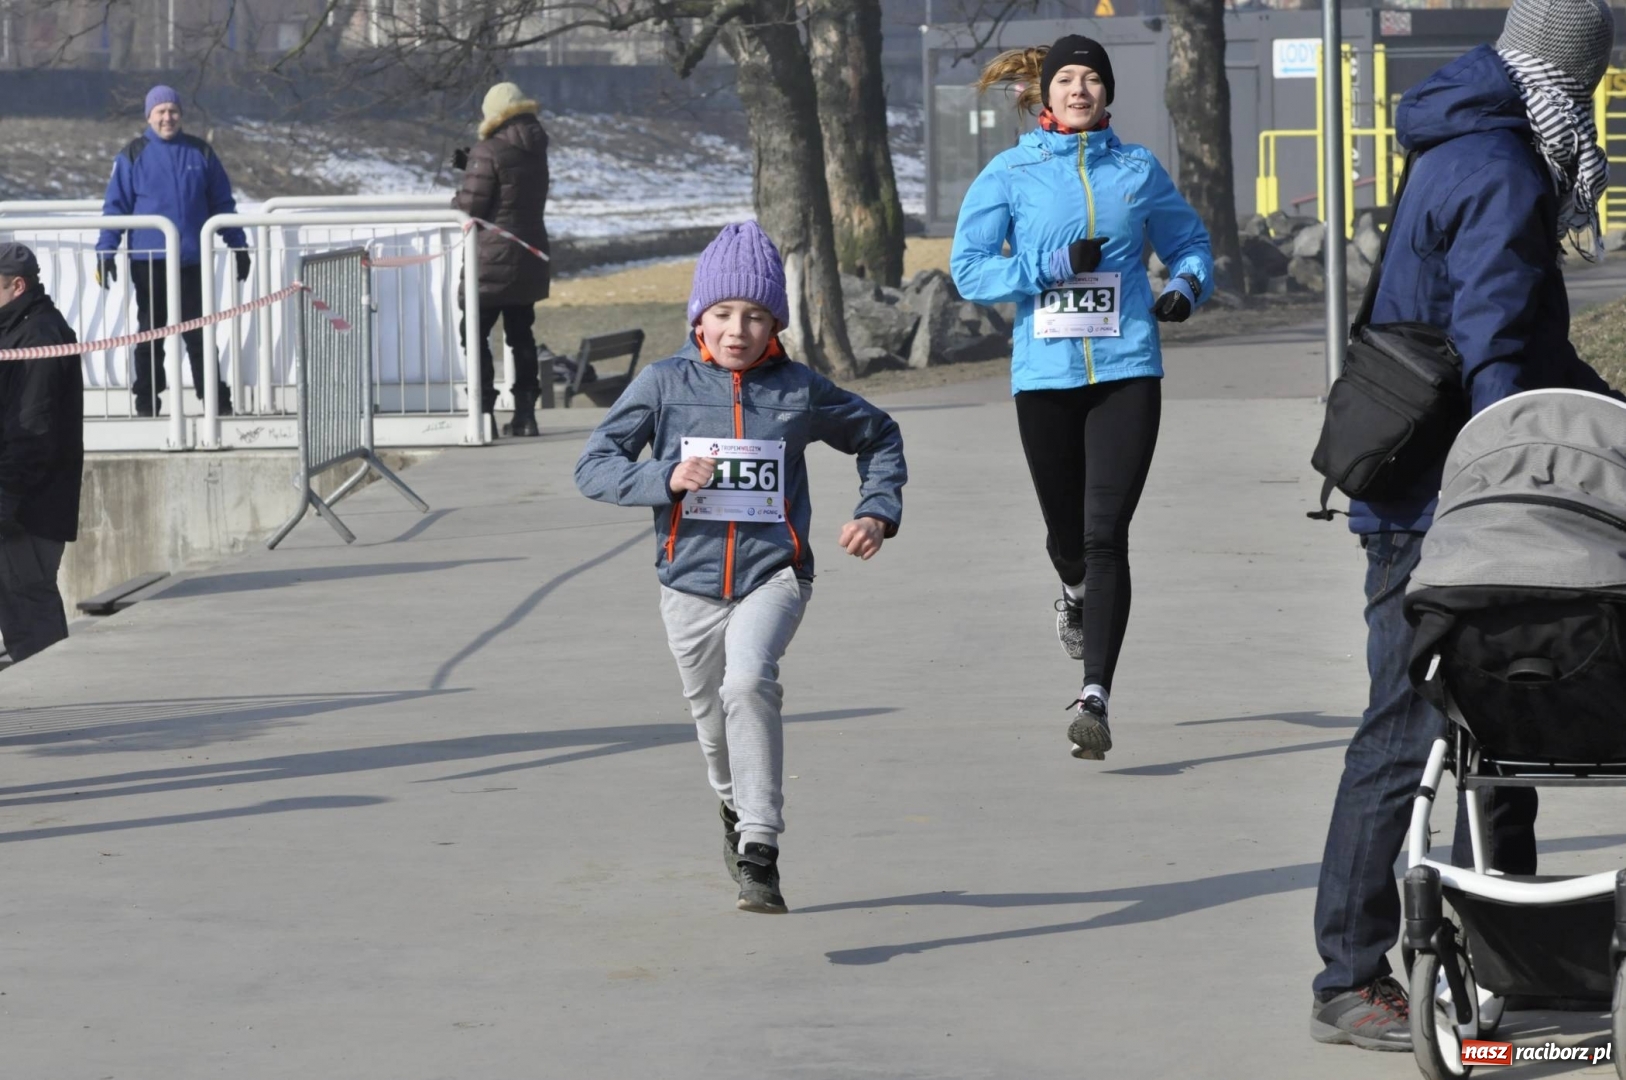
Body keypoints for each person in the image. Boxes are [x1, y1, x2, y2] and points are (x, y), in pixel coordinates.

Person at [1309, 0, 1618, 1051]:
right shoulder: (1499, 168)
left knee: (1507, 716)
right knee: (1409, 733)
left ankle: (1517, 962)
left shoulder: (1462, 139)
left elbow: (1519, 344)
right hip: (1444, 503)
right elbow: (1493, 345)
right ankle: (1349, 978)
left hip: (1428, 486)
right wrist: (1509, 481)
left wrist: (1600, 410)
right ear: (1566, 84)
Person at [575, 222, 906, 914]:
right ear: (699, 315)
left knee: (750, 680)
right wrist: (664, 478)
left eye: (756, 316)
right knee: (709, 719)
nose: (738, 330)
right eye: (724, 314)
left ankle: (761, 846)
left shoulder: (798, 390)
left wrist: (876, 511)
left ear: (774, 323)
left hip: (773, 574)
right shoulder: (663, 385)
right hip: (687, 584)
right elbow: (593, 466)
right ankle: (732, 807)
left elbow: (878, 435)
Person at [950, 35, 1213, 760]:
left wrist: (1186, 287)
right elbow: (970, 271)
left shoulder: (1137, 170)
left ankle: (1095, 695)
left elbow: (1190, 243)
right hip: (1045, 378)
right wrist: (1052, 264)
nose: (1079, 88)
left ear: (1107, 94)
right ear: (1043, 95)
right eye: (1067, 77)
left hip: (1128, 369)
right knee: (1069, 540)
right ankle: (1070, 591)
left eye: (1092, 78)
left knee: (1106, 535)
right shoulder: (1010, 173)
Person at [96, 85, 247, 418]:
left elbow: (222, 203)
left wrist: (238, 244)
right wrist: (106, 250)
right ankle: (147, 401)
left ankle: (216, 403)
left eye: (173, 111)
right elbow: (115, 208)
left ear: (181, 114)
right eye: (160, 111)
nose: (168, 117)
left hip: (192, 260)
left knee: (198, 333)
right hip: (149, 261)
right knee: (152, 332)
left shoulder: (200, 152)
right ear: (149, 116)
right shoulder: (132, 154)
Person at [452, 82, 551, 439]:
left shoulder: (487, 149)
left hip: (490, 261)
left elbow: (471, 207)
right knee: (520, 334)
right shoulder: (536, 147)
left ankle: (483, 413)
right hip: (528, 254)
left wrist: (466, 177)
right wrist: (473, 164)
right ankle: (526, 414)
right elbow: (514, 187)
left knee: (474, 334)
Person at [0, 244, 83, 664]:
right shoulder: (15, 327)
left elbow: (33, 430)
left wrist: (6, 498)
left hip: (28, 506)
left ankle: (50, 700)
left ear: (17, 285)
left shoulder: (41, 335)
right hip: (18, 499)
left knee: (30, 611)